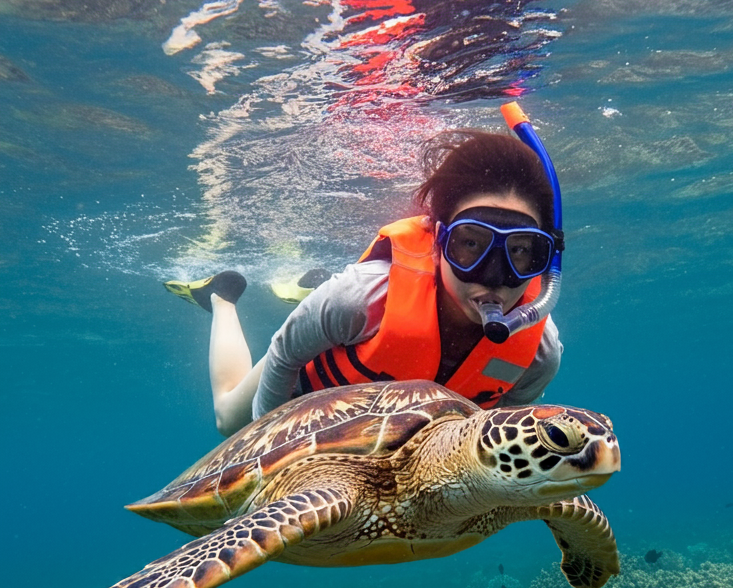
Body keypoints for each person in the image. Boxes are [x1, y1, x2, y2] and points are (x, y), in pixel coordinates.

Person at [165, 116, 564, 438]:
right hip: (313, 376)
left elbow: (494, 432)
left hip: (350, 341)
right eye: (471, 244)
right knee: (228, 419)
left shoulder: (539, 355)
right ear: (437, 240)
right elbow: (285, 355)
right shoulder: (360, 298)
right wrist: (270, 452)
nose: (494, 277)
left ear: (545, 259)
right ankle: (222, 296)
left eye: (521, 252)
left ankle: (313, 294)